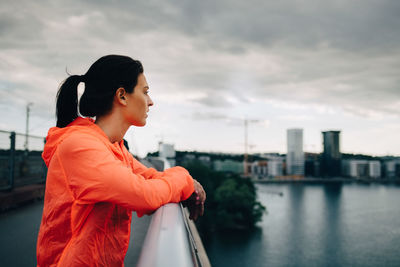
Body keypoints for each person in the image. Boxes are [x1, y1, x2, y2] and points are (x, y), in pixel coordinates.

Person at [36, 55, 206, 266]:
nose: (151, 101)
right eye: (145, 92)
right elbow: (144, 194)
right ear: (122, 96)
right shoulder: (79, 146)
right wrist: (185, 180)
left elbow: (151, 177)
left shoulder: (113, 147)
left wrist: (185, 181)